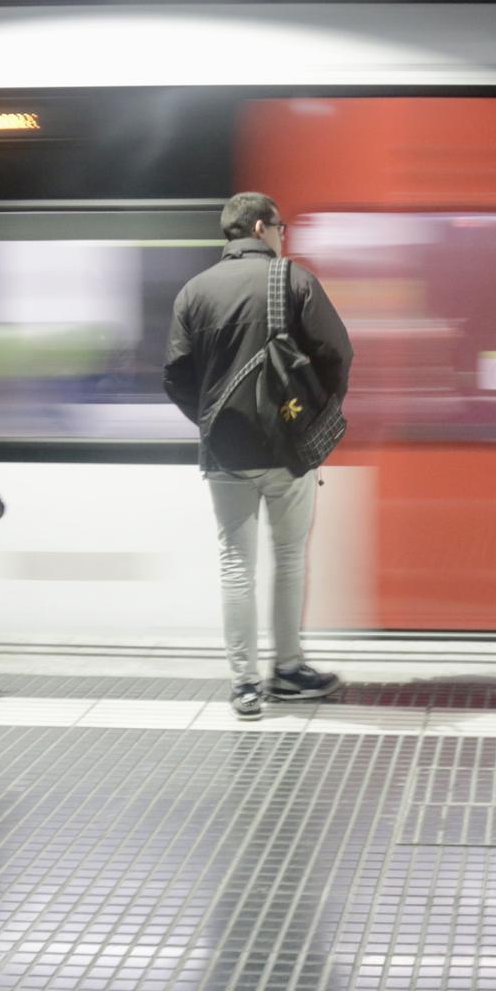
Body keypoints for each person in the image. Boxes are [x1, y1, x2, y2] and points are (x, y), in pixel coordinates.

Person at [164, 192, 354, 721]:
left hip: (224, 451)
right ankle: (288, 669)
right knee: (289, 557)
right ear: (259, 226)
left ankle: (244, 683)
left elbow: (175, 376)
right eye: (281, 227)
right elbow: (339, 352)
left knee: (235, 564)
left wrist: (211, 422)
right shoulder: (293, 281)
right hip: (288, 448)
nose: (283, 236)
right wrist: (315, 414)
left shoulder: (193, 292)